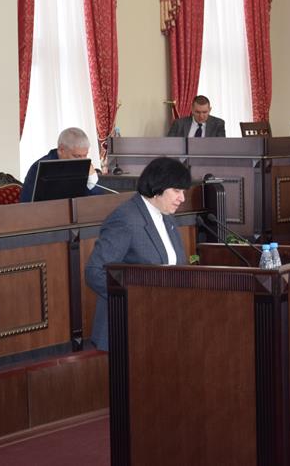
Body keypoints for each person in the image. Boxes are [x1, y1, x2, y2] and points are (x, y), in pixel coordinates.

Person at [84, 157, 191, 351]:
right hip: (128, 328)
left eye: (183, 192)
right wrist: (137, 298)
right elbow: (94, 272)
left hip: (162, 325)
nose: (182, 198)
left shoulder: (167, 218)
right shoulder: (125, 219)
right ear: (157, 187)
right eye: (177, 191)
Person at [20, 127, 107, 203]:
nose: (82, 160)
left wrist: (92, 180)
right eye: (77, 156)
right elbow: (28, 204)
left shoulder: (83, 165)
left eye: (85, 155)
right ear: (61, 150)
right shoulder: (40, 167)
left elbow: (98, 203)